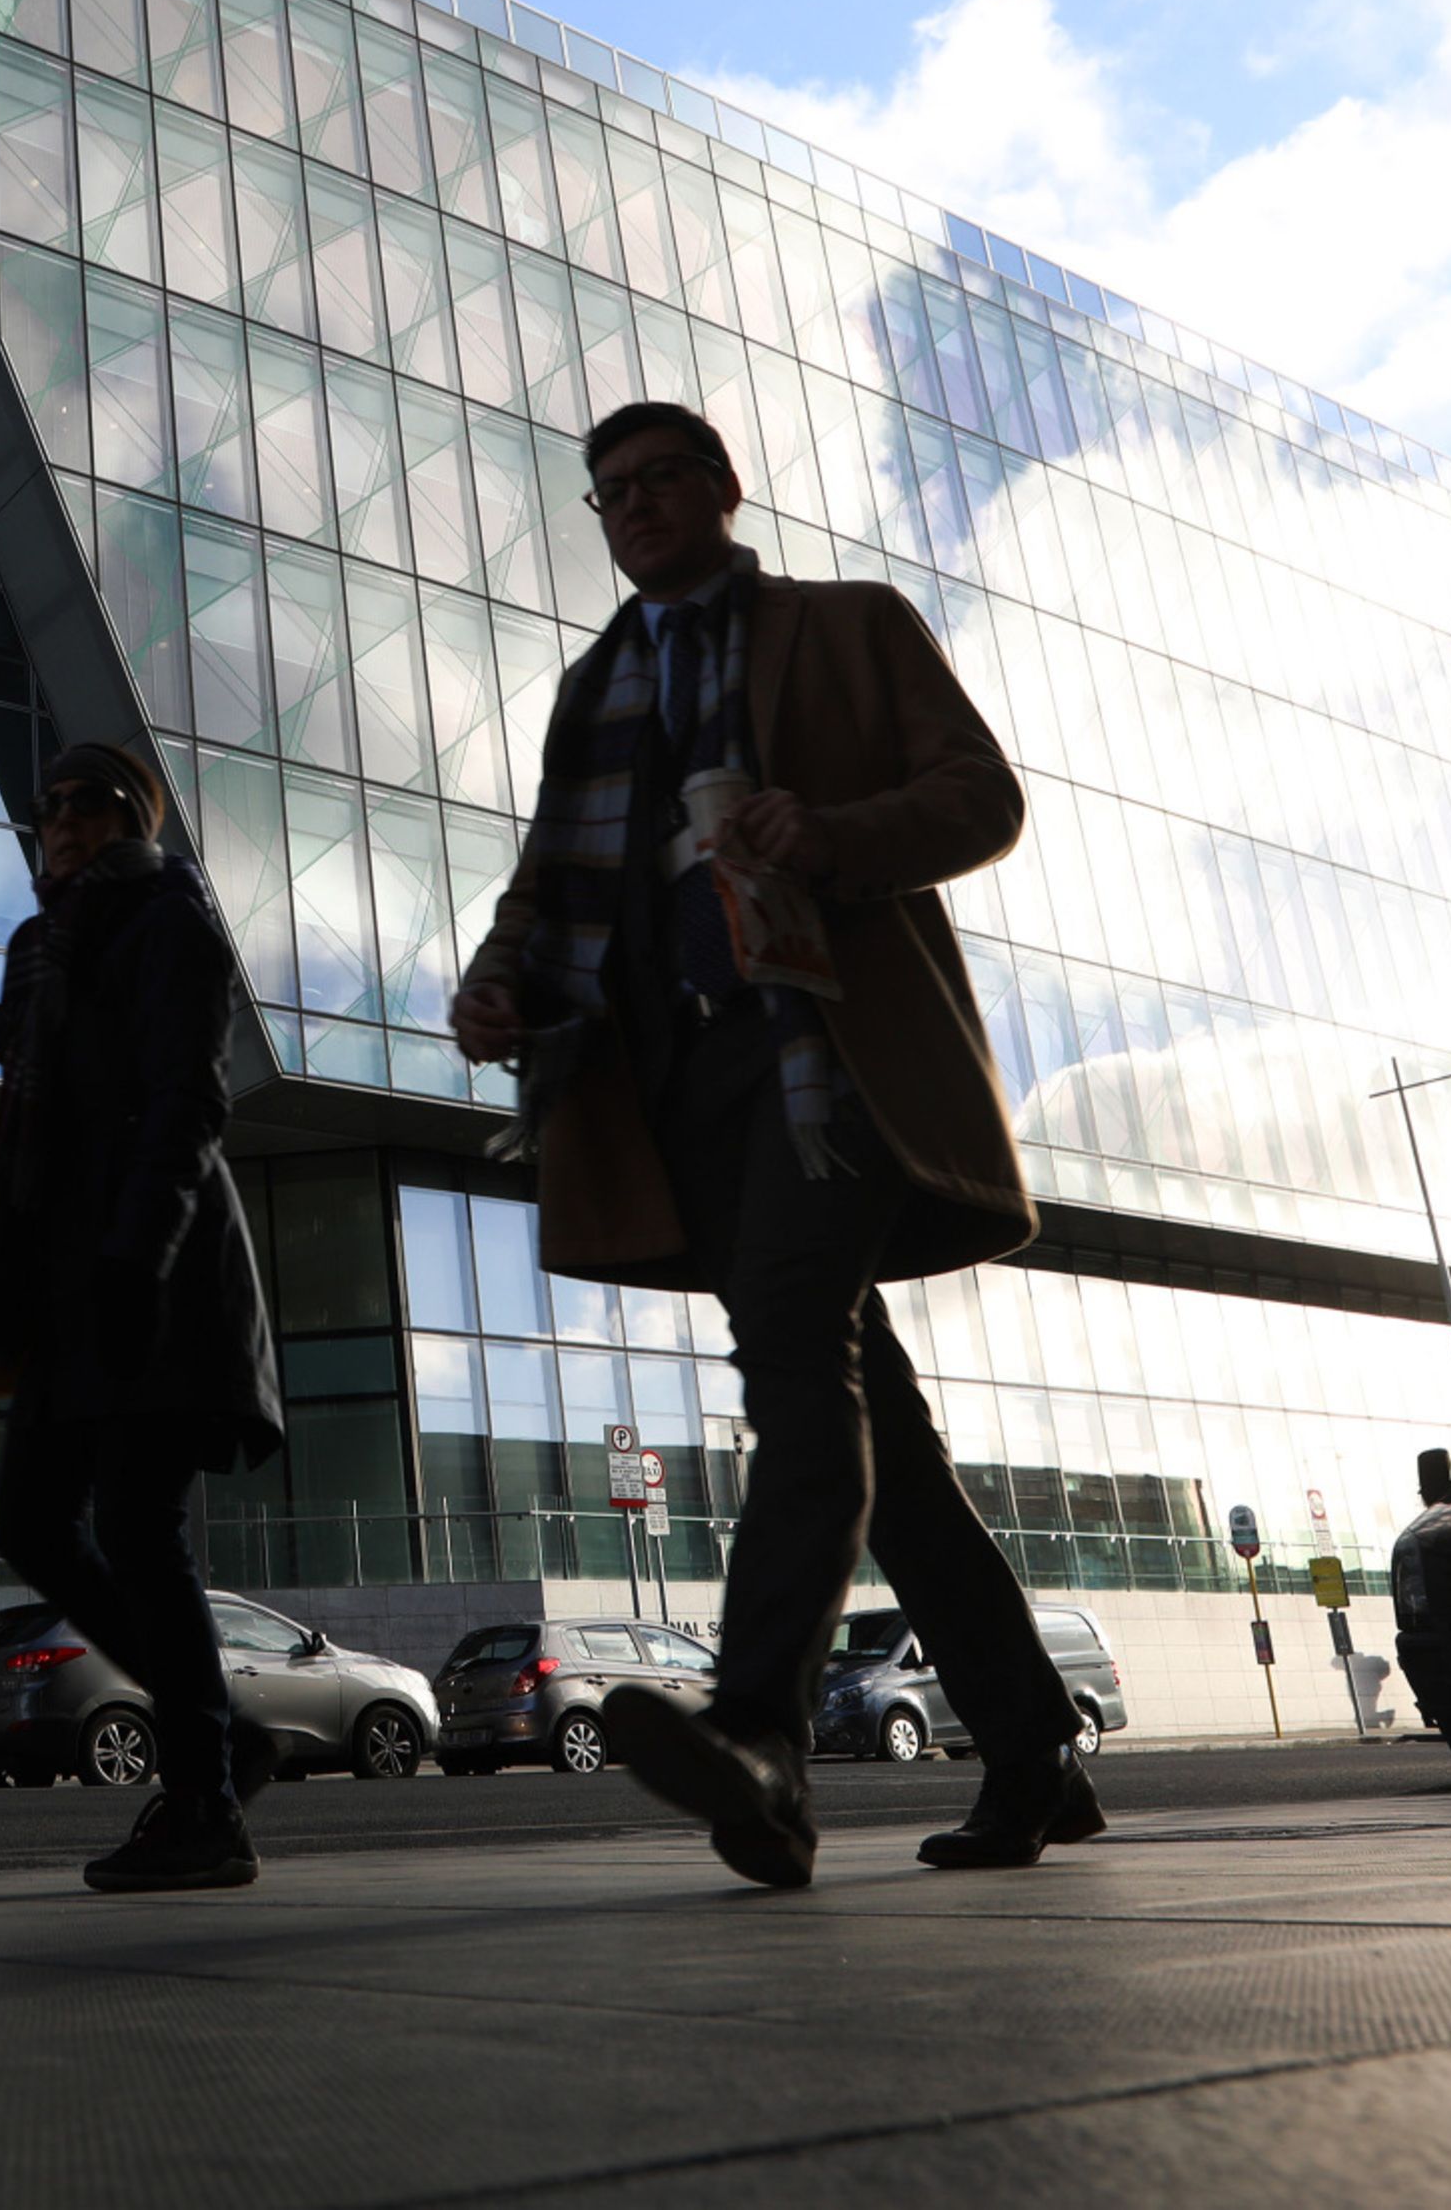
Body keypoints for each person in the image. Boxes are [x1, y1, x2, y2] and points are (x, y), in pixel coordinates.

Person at [449, 401, 1101, 1889]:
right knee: (891, 1451)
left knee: (795, 1360)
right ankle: (1031, 1749)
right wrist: (498, 981)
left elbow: (981, 797)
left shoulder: (845, 625)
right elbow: (550, 878)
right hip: (681, 1084)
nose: (632, 505)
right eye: (608, 492)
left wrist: (832, 834)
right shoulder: (594, 686)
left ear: (723, 487)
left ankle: (755, 1734)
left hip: (830, 1062)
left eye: (657, 478)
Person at [0, 741, 286, 1892]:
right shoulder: (41, 945)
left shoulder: (167, 919)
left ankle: (205, 1805)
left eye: (86, 803)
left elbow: (185, 1102)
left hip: (151, 1266)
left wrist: (133, 1258)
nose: (59, 819)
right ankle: (224, 1740)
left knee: (141, 1528)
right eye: (46, 804)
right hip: (64, 1278)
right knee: (33, 1520)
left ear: (133, 818)